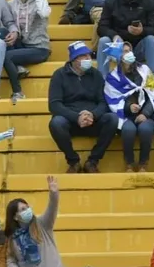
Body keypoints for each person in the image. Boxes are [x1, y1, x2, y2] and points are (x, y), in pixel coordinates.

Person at [48, 42, 118, 173]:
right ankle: (73, 161)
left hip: (93, 120)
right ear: (74, 59)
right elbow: (54, 105)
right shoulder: (59, 75)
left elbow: (103, 102)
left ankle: (93, 161)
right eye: (84, 56)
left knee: (112, 119)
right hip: (71, 121)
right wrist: (77, 117)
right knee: (56, 123)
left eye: (89, 56)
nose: (88, 59)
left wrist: (93, 115)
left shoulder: (96, 75)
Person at [5, 176, 72, 267]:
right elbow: (10, 262)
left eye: (27, 207)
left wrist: (54, 193)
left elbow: (52, 209)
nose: (27, 210)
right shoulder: (11, 237)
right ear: (15, 216)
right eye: (23, 209)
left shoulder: (42, 224)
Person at [104, 41, 154, 173]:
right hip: (125, 116)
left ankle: (143, 164)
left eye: (129, 50)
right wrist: (128, 107)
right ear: (118, 57)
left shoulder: (145, 71)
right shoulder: (113, 78)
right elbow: (112, 99)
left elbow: (153, 95)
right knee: (128, 129)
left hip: (146, 114)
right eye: (124, 51)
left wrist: (145, 113)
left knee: (145, 129)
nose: (128, 53)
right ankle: (129, 163)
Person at [96, 0, 154, 74]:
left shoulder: (149, 3)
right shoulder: (111, 2)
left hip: (138, 48)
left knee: (151, 39)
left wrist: (142, 31)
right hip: (118, 47)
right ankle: (102, 81)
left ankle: (153, 77)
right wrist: (114, 36)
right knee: (103, 40)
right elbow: (102, 27)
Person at [4, 0, 51, 103]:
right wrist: (13, 31)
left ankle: (18, 92)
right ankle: (18, 67)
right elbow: (5, 22)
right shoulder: (11, 4)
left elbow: (44, 13)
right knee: (2, 32)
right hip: (22, 45)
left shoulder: (40, 1)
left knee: (6, 56)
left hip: (39, 48)